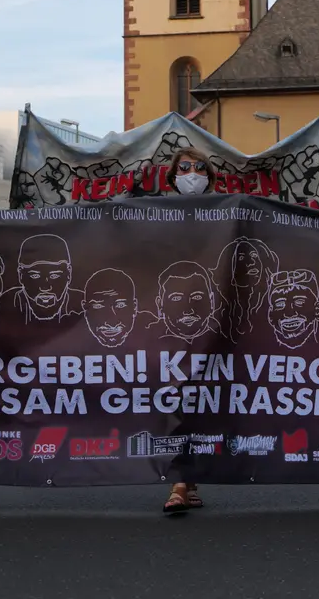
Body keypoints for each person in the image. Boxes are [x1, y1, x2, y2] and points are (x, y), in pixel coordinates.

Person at [130, 147, 214, 515]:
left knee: (204, 398)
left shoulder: (226, 211)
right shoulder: (157, 213)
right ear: (171, 176)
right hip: (170, 321)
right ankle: (180, 481)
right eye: (185, 168)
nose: (192, 173)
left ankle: (188, 479)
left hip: (213, 319)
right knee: (177, 395)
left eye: (199, 168)